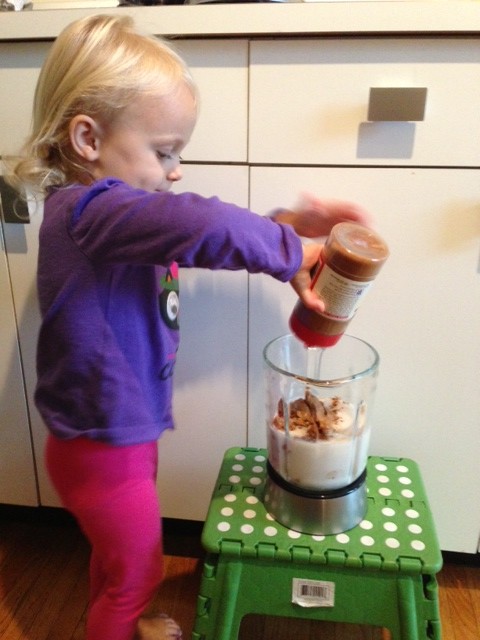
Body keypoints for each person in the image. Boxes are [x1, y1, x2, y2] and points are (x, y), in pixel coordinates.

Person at [13, 14, 370, 640]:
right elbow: (202, 226)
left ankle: (128, 616)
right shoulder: (91, 213)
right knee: (137, 570)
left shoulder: (109, 221)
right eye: (163, 150)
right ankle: (121, 622)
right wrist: (288, 249)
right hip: (103, 446)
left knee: (120, 561)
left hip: (117, 431)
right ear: (88, 139)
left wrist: (286, 222)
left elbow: (198, 238)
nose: (175, 170)